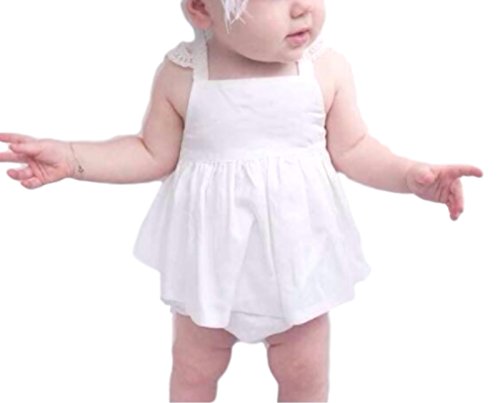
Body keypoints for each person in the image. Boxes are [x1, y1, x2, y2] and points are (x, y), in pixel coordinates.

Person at [0, 0, 483, 401]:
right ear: (201, 9)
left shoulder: (324, 69)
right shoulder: (184, 75)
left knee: (305, 377)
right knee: (192, 372)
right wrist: (72, 158)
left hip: (299, 267)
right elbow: (149, 153)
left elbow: (354, 149)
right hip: (209, 270)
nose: (303, 9)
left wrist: (410, 176)